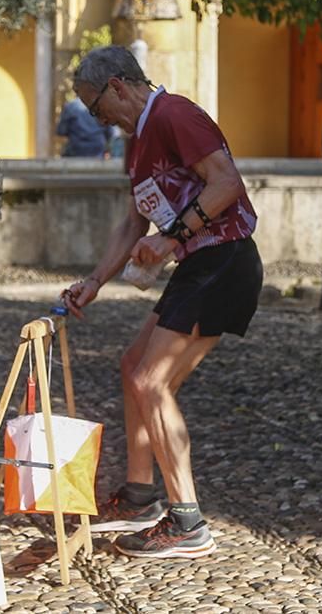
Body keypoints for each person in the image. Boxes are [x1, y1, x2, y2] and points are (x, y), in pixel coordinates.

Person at [62, 45, 262, 559]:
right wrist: (95, 281)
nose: (97, 118)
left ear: (119, 87)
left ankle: (188, 521)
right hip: (200, 264)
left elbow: (226, 183)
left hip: (224, 261)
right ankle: (140, 494)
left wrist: (173, 237)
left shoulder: (175, 114)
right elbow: (134, 222)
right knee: (134, 367)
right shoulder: (139, 140)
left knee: (152, 381)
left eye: (95, 106)